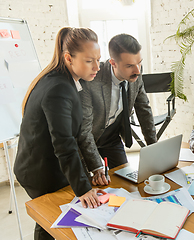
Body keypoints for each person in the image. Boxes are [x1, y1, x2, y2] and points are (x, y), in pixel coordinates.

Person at [14, 27, 106, 240]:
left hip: (44, 164)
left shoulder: (62, 79)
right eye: (89, 60)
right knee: (53, 221)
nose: (97, 67)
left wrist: (92, 169)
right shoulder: (59, 88)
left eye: (98, 60)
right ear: (68, 58)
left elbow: (76, 132)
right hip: (40, 171)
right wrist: (83, 188)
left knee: (50, 221)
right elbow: (65, 143)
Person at [78, 33, 156, 185]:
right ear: (113, 62)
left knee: (126, 181)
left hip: (111, 137)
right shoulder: (92, 79)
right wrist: (96, 167)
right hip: (86, 139)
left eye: (139, 63)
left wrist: (154, 149)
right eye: (129, 65)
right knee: (91, 185)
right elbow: (84, 129)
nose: (137, 70)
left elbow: (144, 110)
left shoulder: (136, 72)